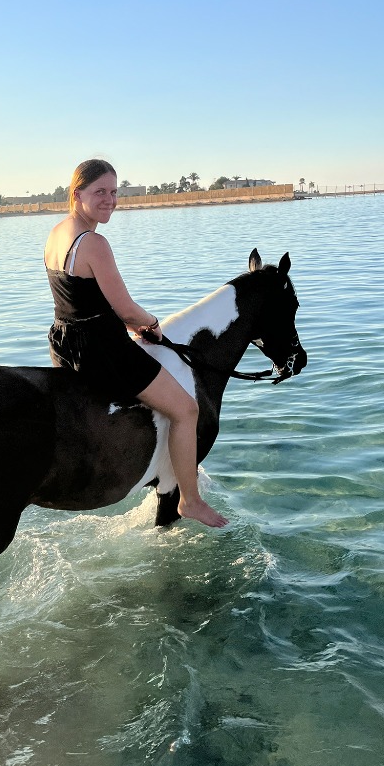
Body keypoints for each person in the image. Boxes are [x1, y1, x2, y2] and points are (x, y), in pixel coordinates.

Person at [44, 158, 228, 528]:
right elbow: (125, 307)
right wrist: (150, 324)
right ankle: (190, 501)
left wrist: (125, 325)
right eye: (100, 192)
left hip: (64, 343)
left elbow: (78, 300)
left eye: (114, 192)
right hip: (101, 351)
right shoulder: (93, 242)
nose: (110, 199)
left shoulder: (56, 233)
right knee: (186, 409)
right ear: (77, 193)